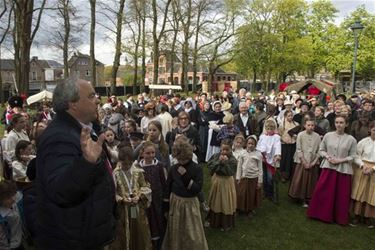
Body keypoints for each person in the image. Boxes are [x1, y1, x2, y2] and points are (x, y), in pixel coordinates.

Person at [35, 78, 116, 249]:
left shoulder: (84, 128)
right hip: (74, 240)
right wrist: (86, 163)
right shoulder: (59, 137)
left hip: (87, 233)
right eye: (91, 95)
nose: (98, 99)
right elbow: (60, 191)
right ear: (73, 104)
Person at [307, 115, 357, 225]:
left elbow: (353, 156)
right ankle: (320, 214)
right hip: (328, 168)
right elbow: (321, 150)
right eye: (337, 122)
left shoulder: (351, 139)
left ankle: (338, 217)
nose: (339, 125)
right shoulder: (328, 136)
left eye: (341, 122)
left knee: (341, 195)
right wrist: (328, 157)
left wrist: (341, 160)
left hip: (343, 170)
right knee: (323, 191)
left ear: (346, 124)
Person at [162, 140, 208, 250]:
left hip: (190, 203)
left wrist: (185, 177)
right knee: (176, 228)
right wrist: (166, 204)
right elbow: (168, 186)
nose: (181, 162)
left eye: (184, 159)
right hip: (176, 202)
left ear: (189, 156)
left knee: (192, 229)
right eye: (179, 159)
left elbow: (197, 189)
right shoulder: (173, 168)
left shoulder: (196, 169)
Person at [109, 146, 152, 250]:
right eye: (124, 164)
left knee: (140, 232)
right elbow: (112, 193)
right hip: (123, 211)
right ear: (119, 161)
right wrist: (122, 199)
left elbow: (146, 187)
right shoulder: (115, 174)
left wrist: (139, 196)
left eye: (129, 164)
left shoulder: (138, 172)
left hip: (138, 210)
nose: (127, 166)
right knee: (123, 234)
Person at [136, 142, 166, 249]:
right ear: (142, 153)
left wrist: (164, 196)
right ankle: (148, 239)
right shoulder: (138, 167)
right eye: (148, 153)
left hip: (157, 197)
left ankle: (159, 240)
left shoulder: (159, 165)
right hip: (144, 199)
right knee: (148, 217)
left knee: (158, 217)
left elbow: (163, 182)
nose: (151, 155)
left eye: (153, 152)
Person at [288, 118, 321, 207]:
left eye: (312, 125)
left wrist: (313, 162)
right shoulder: (301, 135)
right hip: (302, 161)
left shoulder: (317, 136)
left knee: (311, 181)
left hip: (312, 162)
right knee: (300, 179)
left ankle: (309, 197)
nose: (310, 127)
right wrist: (304, 162)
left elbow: (319, 150)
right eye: (308, 125)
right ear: (305, 126)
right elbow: (299, 149)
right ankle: (300, 197)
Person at [206, 139, 237, 231]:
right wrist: (219, 162)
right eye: (223, 149)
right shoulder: (216, 156)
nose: (224, 152)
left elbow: (230, 172)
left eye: (227, 150)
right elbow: (210, 165)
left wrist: (225, 164)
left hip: (226, 182)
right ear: (220, 148)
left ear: (231, 149)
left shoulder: (233, 160)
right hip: (217, 180)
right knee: (215, 200)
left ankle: (225, 223)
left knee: (225, 201)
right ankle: (213, 221)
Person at [350, 121, 375, 228]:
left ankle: (367, 217)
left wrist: (373, 168)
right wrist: (362, 165)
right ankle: (356, 215)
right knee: (359, 191)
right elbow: (356, 155)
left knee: (370, 193)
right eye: (374, 130)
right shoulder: (363, 142)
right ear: (370, 130)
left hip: (373, 171)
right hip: (362, 169)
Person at [236, 135, 263, 216]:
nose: (250, 145)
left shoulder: (258, 154)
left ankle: (249, 209)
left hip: (253, 178)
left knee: (251, 195)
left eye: (252, 144)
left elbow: (260, 169)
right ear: (246, 144)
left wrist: (260, 181)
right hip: (243, 177)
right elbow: (239, 166)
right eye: (249, 143)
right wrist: (238, 177)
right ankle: (239, 208)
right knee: (241, 194)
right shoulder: (242, 153)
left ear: (255, 145)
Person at [257, 119, 281, 203]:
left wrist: (277, 155)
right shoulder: (262, 136)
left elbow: (277, 147)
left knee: (270, 178)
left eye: (271, 129)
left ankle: (271, 193)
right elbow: (259, 146)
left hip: (272, 160)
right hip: (263, 159)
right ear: (265, 129)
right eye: (268, 129)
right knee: (264, 176)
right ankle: (265, 192)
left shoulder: (276, 137)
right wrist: (261, 154)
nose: (270, 130)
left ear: (274, 128)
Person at [0, 180, 24, 250]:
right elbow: (2, 239)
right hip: (11, 246)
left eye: (13, 195)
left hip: (20, 238)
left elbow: (19, 195)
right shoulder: (2, 217)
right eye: (8, 198)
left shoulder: (15, 201)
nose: (13, 199)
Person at [278, 110, 299, 182]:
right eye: (289, 116)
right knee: (284, 160)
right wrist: (283, 140)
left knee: (291, 160)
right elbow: (279, 134)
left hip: (293, 144)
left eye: (291, 115)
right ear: (285, 116)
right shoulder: (282, 124)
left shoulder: (296, 124)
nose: (290, 117)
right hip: (284, 145)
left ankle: (291, 175)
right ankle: (283, 175)